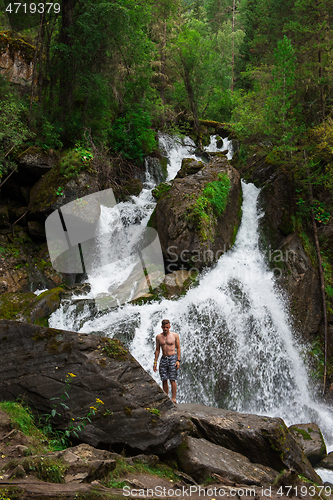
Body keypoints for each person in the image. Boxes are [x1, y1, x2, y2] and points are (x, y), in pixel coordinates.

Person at [153, 319, 181, 403]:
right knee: (164, 379)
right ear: (161, 327)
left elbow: (178, 348)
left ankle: (173, 398)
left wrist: (178, 360)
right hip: (164, 359)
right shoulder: (158, 337)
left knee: (172, 379)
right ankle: (166, 398)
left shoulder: (175, 335)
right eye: (164, 327)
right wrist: (155, 362)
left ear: (169, 327)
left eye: (167, 327)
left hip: (173, 358)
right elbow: (157, 350)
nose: (165, 329)